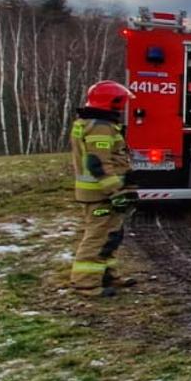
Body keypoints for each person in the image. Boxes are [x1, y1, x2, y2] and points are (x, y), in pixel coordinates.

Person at [70, 81, 137, 296]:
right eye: (120, 102)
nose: (123, 106)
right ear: (112, 101)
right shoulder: (100, 126)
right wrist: (116, 192)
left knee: (111, 235)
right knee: (97, 237)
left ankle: (107, 276)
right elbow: (99, 164)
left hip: (100, 192)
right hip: (100, 193)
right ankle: (86, 284)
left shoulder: (95, 122)